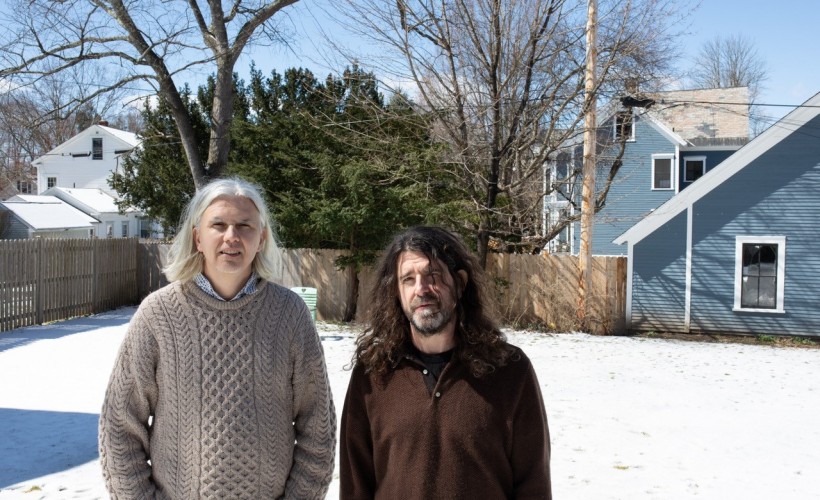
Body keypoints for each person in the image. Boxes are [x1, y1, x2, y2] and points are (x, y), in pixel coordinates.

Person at [99, 177, 336, 499]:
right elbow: (119, 425)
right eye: (219, 224)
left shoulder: (289, 314)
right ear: (197, 237)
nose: (231, 237)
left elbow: (317, 426)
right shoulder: (158, 314)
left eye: (245, 226)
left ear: (262, 238)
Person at [340, 226, 552, 499]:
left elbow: (533, 484)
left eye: (433, 275)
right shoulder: (373, 374)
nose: (421, 289)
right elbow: (355, 486)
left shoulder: (510, 370)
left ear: (460, 284)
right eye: (408, 279)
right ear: (396, 292)